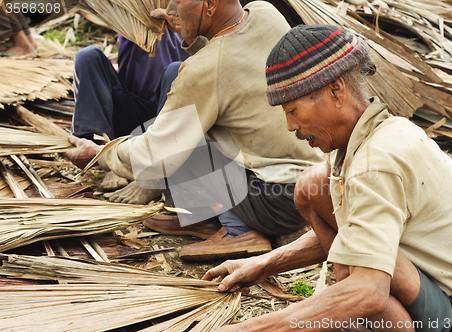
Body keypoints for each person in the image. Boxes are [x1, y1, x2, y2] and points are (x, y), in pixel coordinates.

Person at [202, 25, 452, 331]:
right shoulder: (381, 132)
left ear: (336, 90)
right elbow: (355, 230)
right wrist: (263, 264)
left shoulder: (376, 161)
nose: (290, 125)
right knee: (314, 187)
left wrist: (248, 328)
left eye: (292, 110)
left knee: (364, 289)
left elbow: (370, 293)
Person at [65, 0, 326, 261]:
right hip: (307, 186)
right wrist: (190, 31)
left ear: (210, 5)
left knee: (182, 139)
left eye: (178, 2)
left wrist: (101, 154)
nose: (171, 8)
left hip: (271, 202)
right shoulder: (265, 12)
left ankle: (239, 232)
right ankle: (201, 216)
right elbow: (228, 60)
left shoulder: (204, 71)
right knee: (184, 97)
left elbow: (156, 155)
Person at [71, 8, 190, 203]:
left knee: (176, 70)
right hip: (129, 116)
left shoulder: (190, 13)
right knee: (88, 55)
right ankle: (104, 154)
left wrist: (177, 21)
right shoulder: (130, 10)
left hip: (170, 119)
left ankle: (154, 176)